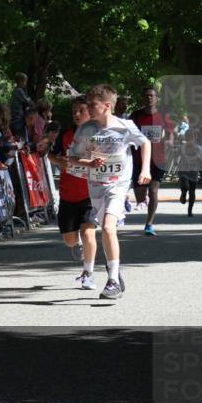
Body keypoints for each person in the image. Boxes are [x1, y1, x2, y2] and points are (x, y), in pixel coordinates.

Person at [68, 84, 151, 300]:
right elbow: (73, 157)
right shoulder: (86, 130)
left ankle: (113, 280)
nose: (88, 108)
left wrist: (145, 169)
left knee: (107, 226)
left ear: (106, 106)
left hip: (118, 185)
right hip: (96, 187)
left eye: (92, 104)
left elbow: (145, 143)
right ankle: (114, 272)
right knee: (104, 230)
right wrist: (90, 163)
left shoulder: (125, 126)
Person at [48, 96, 99, 287]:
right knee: (70, 241)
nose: (77, 114)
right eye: (74, 111)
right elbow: (51, 154)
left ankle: (88, 273)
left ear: (90, 111)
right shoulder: (66, 134)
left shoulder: (99, 134)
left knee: (88, 234)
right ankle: (77, 246)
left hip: (89, 194)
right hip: (68, 194)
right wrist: (58, 161)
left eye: (81, 110)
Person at [129, 86, 175, 235]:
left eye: (152, 96)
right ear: (143, 98)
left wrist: (169, 141)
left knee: (154, 191)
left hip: (158, 158)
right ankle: (144, 200)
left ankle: (149, 224)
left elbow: (171, 133)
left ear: (157, 99)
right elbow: (128, 134)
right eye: (146, 95)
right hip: (139, 159)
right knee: (140, 195)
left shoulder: (164, 116)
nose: (149, 98)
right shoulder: (135, 116)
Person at [177, 134, 202, 217]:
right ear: (186, 139)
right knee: (185, 186)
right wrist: (176, 162)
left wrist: (200, 160)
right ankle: (184, 193)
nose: (190, 141)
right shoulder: (182, 147)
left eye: (191, 139)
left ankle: (190, 210)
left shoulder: (198, 148)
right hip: (183, 169)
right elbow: (177, 156)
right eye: (188, 139)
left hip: (194, 171)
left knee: (192, 192)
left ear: (194, 139)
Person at [9, 72, 34, 138]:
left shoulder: (18, 90)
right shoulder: (18, 90)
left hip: (18, 114)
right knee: (19, 133)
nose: (25, 83)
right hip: (17, 115)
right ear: (21, 81)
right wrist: (29, 100)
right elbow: (26, 101)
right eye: (25, 81)